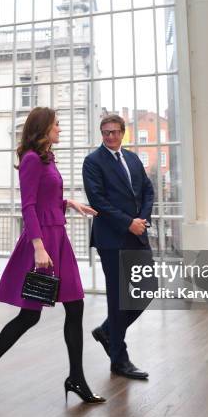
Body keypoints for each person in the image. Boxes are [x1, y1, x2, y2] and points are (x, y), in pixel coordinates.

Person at [0, 107, 106, 404]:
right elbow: (28, 206)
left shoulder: (48, 158)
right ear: (43, 128)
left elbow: (48, 195)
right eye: (56, 125)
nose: (60, 129)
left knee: (76, 306)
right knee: (29, 315)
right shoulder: (31, 159)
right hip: (43, 243)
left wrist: (69, 203)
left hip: (58, 238)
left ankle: (76, 378)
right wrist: (38, 246)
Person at [82, 114, 155, 380]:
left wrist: (141, 220)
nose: (110, 136)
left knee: (147, 290)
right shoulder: (92, 161)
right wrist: (128, 223)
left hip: (137, 235)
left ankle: (107, 332)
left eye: (114, 132)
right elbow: (98, 201)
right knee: (118, 298)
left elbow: (148, 190)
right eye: (105, 132)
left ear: (123, 132)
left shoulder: (133, 159)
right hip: (112, 238)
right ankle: (118, 359)